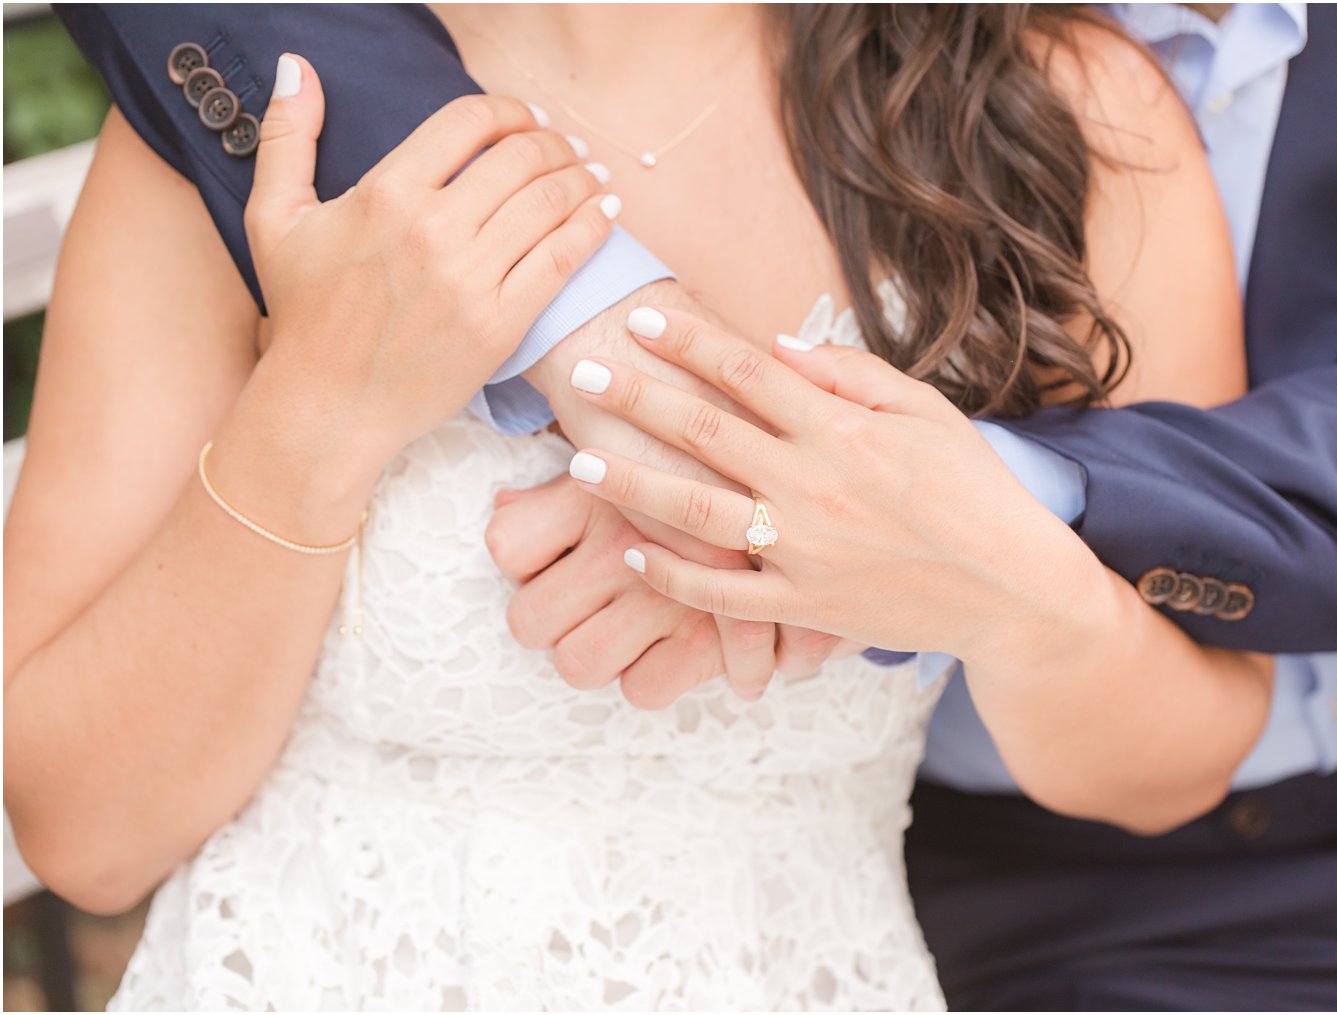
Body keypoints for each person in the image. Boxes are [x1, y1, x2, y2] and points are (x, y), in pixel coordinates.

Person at [9, 4, 1270, 1009]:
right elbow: (84, 832)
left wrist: (990, 580)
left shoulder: (1065, 108)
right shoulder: (277, 122)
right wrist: (329, 403)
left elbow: (1172, 768)